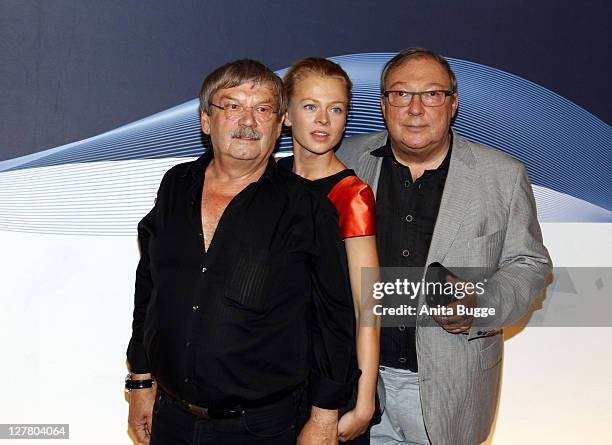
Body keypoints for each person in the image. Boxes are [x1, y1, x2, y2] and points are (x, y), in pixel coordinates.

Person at [126, 59, 357, 445]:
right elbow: (150, 288)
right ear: (206, 121)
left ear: (280, 122)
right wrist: (140, 381)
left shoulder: (307, 208)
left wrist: (324, 416)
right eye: (232, 106)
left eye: (262, 109)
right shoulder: (175, 186)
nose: (248, 121)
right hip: (171, 419)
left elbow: (334, 318)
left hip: (261, 428)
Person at [336, 48, 552, 445]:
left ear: (452, 103)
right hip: (361, 384)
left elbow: (529, 265)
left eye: (432, 94)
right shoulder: (346, 160)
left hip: (455, 389)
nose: (416, 108)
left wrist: (479, 304)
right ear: (383, 104)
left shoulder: (502, 176)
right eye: (401, 94)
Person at [279, 57, 381, 444]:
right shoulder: (267, 182)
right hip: (270, 380)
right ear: (286, 115)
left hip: (329, 382)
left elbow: (368, 305)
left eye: (335, 109)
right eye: (310, 106)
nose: (323, 119)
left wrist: (365, 401)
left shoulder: (351, 195)